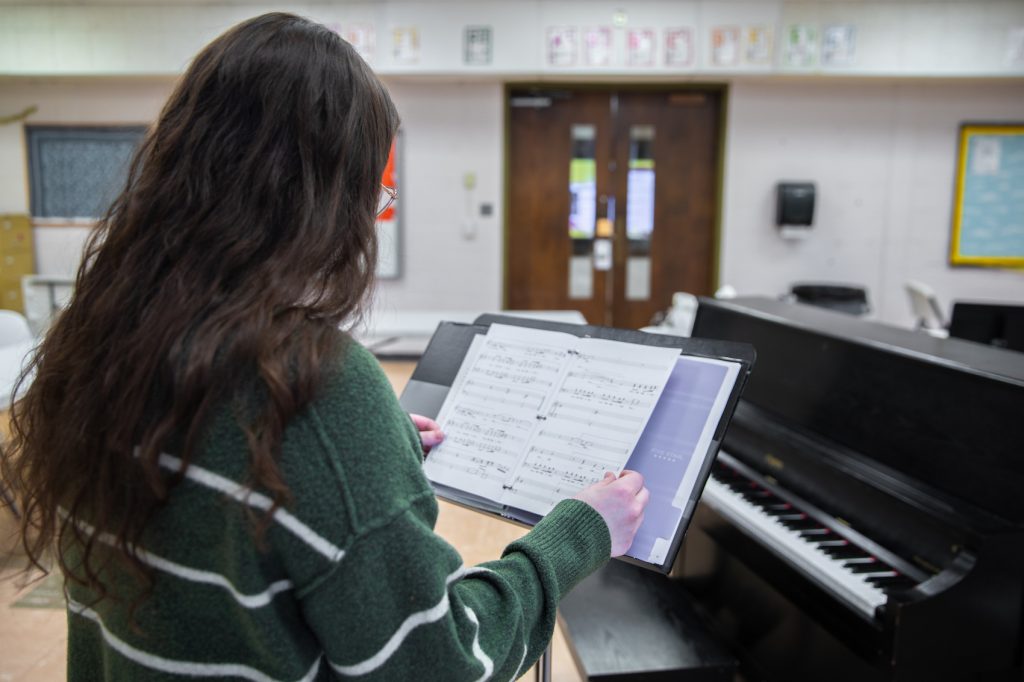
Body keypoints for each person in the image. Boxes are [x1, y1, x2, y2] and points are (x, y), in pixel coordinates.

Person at [0, 13, 649, 681]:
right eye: (373, 191)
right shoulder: (313, 386)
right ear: (321, 200)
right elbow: (440, 665)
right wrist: (579, 533)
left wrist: (359, 466)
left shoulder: (101, 338)